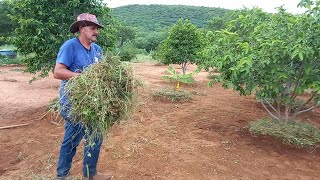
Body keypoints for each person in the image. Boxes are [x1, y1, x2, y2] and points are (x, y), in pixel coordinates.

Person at [53, 13, 112, 180]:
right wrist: (81, 77)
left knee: (96, 136)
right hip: (72, 103)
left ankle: (90, 173)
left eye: (97, 29)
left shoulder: (97, 50)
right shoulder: (70, 46)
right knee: (72, 139)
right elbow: (58, 72)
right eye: (93, 28)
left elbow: (101, 75)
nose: (96, 32)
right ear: (81, 28)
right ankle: (62, 175)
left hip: (92, 104)